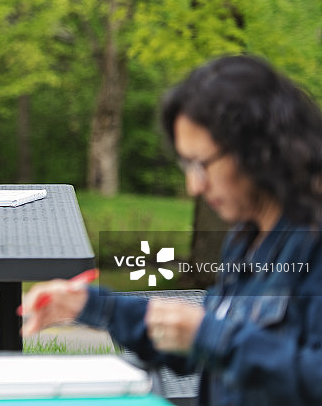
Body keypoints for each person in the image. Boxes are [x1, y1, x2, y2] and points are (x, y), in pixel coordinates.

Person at [20, 55, 322, 405]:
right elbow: (197, 344)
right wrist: (95, 306)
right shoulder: (247, 238)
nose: (194, 186)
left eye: (202, 164)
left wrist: (209, 336)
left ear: (257, 149)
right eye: (186, 164)